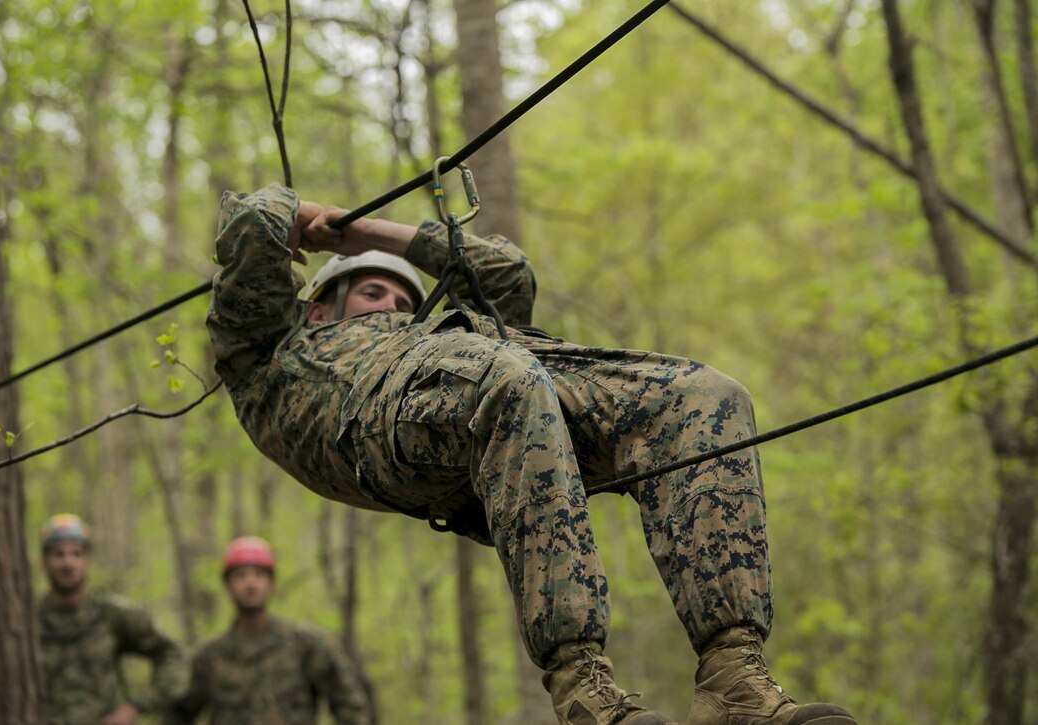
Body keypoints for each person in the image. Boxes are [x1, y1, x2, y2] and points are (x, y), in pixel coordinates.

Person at [206, 183, 858, 725]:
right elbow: (252, 218)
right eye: (372, 293)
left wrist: (365, 236)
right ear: (317, 310)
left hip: (513, 390)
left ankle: (732, 677)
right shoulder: (269, 353)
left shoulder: (449, 337)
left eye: (406, 299)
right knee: (510, 378)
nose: (395, 305)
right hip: (394, 419)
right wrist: (311, 225)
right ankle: (582, 685)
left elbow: (506, 273)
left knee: (703, 398)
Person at [165, 536, 372, 724]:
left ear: (271, 583)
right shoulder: (208, 657)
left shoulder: (306, 645)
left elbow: (349, 704)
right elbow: (177, 713)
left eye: (259, 574)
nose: (250, 583)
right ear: (227, 586)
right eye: (240, 576)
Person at [36, 513, 184, 725]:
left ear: (87, 561)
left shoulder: (111, 615)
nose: (68, 563)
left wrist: (136, 706)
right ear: (44, 562)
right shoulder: (27, 622)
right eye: (58, 554)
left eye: (76, 554)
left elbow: (172, 654)